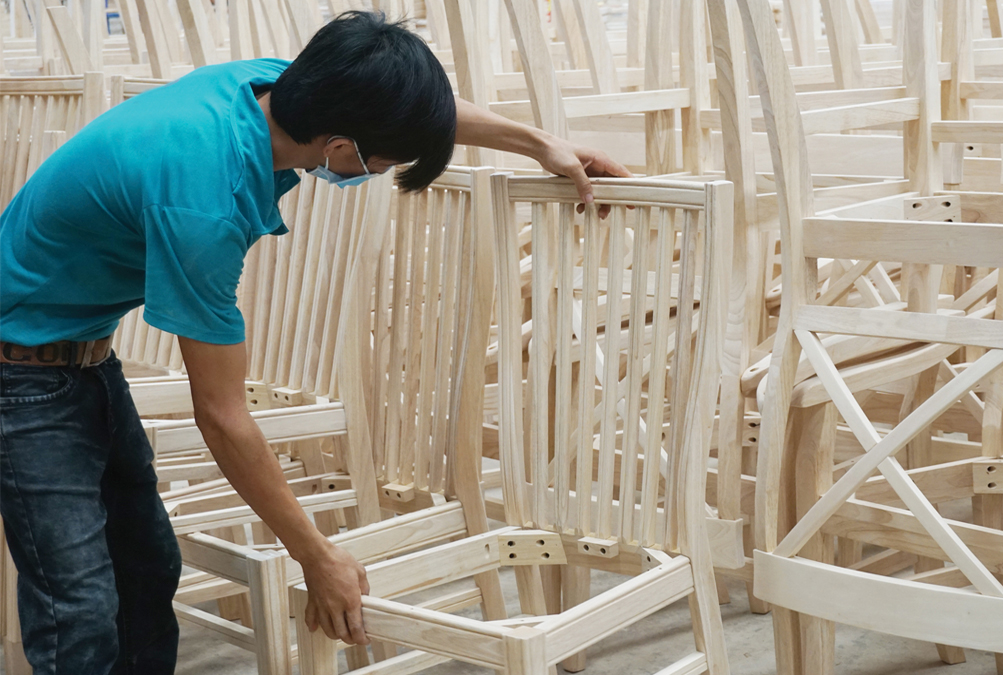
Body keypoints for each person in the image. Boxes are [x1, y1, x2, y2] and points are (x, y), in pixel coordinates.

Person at [0, 10, 629, 673]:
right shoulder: (204, 203)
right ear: (340, 148)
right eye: (389, 159)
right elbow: (221, 413)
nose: (390, 168)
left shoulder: (276, 87)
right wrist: (316, 554)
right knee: (80, 610)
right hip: (19, 380)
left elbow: (412, 110)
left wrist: (539, 143)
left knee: (148, 567)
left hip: (81, 357)